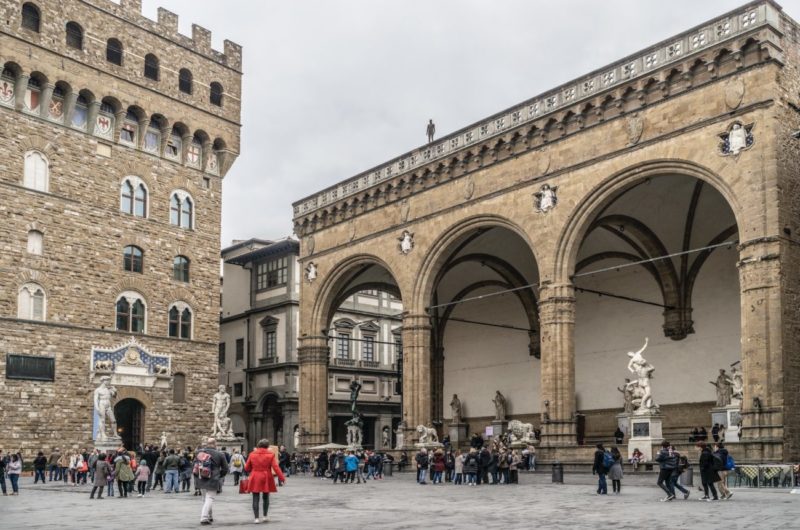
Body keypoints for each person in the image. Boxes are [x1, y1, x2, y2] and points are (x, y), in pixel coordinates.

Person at [244, 439, 286, 524]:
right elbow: (276, 467)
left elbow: (247, 468)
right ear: (267, 446)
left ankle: (256, 518)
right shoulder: (270, 454)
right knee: (266, 497)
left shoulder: (252, 454)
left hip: (255, 476)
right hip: (266, 476)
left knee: (255, 497)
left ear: (258, 445)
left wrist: (253, 469)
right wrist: (282, 478)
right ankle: (265, 516)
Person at [195, 437, 230, 526]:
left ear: (207, 444)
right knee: (210, 498)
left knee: (205, 498)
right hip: (213, 478)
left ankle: (209, 516)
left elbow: (194, 465)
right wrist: (219, 475)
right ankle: (204, 518)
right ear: (215, 444)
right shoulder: (220, 454)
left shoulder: (199, 453)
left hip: (201, 477)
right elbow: (225, 468)